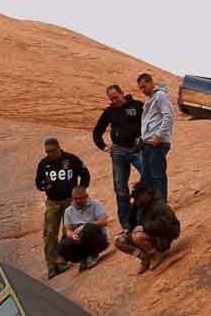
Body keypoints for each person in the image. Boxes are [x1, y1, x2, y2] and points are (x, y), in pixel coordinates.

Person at [35, 138, 90, 279]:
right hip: (52, 202)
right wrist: (43, 185)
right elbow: (38, 183)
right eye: (47, 152)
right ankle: (52, 265)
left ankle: (66, 259)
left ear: (59, 147)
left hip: (70, 201)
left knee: (70, 231)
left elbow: (85, 174)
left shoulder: (71, 159)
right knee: (49, 233)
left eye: (52, 151)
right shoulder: (44, 164)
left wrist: (80, 192)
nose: (50, 154)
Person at [92, 84, 144, 228]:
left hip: (137, 149)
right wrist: (103, 146)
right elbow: (97, 131)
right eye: (111, 99)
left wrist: (144, 139)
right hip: (119, 151)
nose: (114, 101)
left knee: (148, 177)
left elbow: (150, 122)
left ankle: (146, 212)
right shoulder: (109, 112)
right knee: (120, 188)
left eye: (116, 97)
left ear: (122, 93)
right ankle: (126, 224)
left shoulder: (138, 106)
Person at [114, 181, 180, 273]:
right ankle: (144, 258)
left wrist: (144, 228)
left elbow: (164, 225)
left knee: (138, 237)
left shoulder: (159, 205)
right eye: (134, 198)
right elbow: (132, 222)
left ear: (145, 194)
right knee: (118, 241)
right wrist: (128, 229)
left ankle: (157, 254)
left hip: (162, 237)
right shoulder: (138, 204)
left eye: (137, 197)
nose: (135, 200)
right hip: (147, 233)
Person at [136, 73, 174, 199]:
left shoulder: (160, 95)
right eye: (140, 88)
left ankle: (161, 204)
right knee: (147, 176)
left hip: (157, 143)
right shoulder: (150, 98)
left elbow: (168, 116)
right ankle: (152, 204)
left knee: (157, 175)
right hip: (148, 143)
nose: (142, 90)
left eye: (144, 86)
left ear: (151, 83)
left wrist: (159, 136)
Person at [58, 185, 110, 271]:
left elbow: (104, 221)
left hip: (97, 239)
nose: (78, 201)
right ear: (72, 198)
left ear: (86, 196)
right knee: (62, 245)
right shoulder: (68, 211)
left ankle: (93, 255)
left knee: (89, 228)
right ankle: (83, 259)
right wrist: (72, 235)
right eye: (75, 198)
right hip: (80, 239)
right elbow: (68, 230)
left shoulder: (95, 204)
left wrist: (83, 227)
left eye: (81, 198)